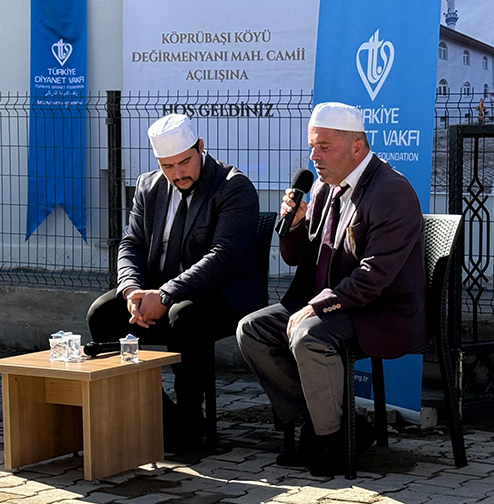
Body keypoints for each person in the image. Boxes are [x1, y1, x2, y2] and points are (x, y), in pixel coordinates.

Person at [236, 102, 426, 476]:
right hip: (332, 303)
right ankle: (335, 428)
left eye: (324, 147)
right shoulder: (325, 187)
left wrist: (318, 306)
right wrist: (294, 223)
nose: (314, 157)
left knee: (308, 335)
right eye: (312, 146)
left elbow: (374, 276)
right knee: (252, 330)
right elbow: (298, 257)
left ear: (357, 147)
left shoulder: (391, 191)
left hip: (378, 310)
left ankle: (333, 439)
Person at [86, 114, 262, 452]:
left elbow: (223, 257)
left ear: (201, 148)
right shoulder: (148, 186)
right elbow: (132, 243)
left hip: (222, 295)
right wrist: (132, 290)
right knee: (102, 315)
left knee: (185, 316)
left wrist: (165, 295)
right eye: (168, 166)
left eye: (185, 162)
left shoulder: (233, 186)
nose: (178, 173)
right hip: (161, 292)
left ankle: (190, 418)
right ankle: (159, 415)